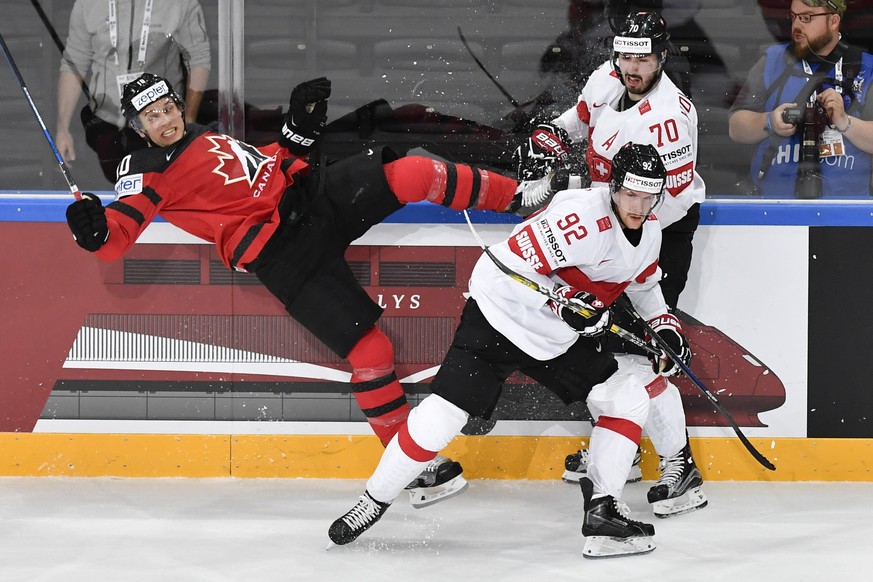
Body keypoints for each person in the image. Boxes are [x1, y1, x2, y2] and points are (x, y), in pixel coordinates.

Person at [63, 73, 562, 508]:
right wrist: (92, 230)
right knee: (372, 350)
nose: (166, 120)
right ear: (137, 126)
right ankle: (409, 468)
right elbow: (114, 239)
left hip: (305, 200)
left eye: (169, 108)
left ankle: (517, 197)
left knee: (410, 172)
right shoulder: (146, 168)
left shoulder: (203, 137)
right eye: (152, 115)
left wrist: (296, 128)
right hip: (283, 253)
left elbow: (265, 167)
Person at [329, 143, 693, 559]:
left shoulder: (649, 232)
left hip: (553, 338)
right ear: (612, 187)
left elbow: (642, 284)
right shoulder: (580, 216)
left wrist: (665, 325)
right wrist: (559, 301)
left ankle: (603, 514)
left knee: (626, 399)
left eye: (649, 197)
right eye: (631, 194)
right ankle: (371, 502)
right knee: (444, 413)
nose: (639, 205)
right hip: (499, 316)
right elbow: (511, 265)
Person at [515, 11, 707, 517]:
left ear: (663, 57)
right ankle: (620, 450)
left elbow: (649, 203)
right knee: (604, 348)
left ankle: (680, 465)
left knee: (641, 354)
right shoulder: (609, 77)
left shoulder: (671, 117)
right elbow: (575, 122)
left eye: (642, 57)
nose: (631, 66)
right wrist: (548, 140)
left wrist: (572, 191)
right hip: (611, 234)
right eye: (624, 55)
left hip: (655, 235)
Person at [729, 0, 873, 198]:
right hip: (771, 208)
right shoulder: (771, 60)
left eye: (807, 18)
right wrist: (770, 121)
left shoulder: (866, 68)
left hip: (844, 210)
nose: (797, 25)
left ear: (833, 21)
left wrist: (845, 122)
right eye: (793, 17)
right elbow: (735, 128)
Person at [56, 0, 212, 184]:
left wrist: (188, 121)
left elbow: (198, 58)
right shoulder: (88, 4)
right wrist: (62, 127)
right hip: (106, 123)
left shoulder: (179, 3)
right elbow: (74, 62)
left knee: (161, 194)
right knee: (112, 197)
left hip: (160, 124)